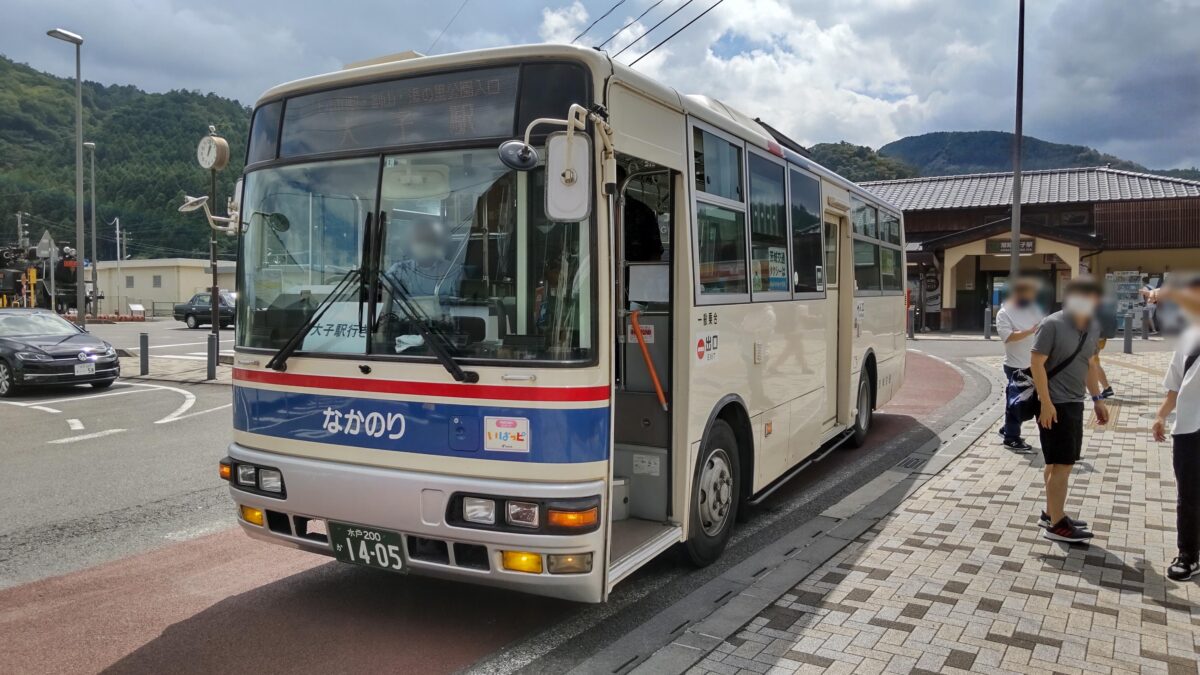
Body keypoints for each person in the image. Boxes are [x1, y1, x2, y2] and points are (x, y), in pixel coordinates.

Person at [1030, 278, 1110, 542]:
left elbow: (1087, 364)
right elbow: (1037, 364)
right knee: (1062, 465)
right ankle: (1058, 525)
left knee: (1055, 463)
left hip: (1074, 403)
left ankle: (1052, 513)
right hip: (1054, 404)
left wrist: (1097, 398)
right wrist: (1045, 402)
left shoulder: (1092, 327)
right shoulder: (1051, 324)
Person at [1149, 276, 1200, 581]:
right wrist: (1160, 416)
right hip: (1189, 429)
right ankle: (1189, 554)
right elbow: (1174, 385)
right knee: (1189, 495)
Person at [995, 277, 1043, 452]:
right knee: (1017, 402)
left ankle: (1008, 428)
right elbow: (1007, 337)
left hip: (1035, 362)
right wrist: (1029, 331)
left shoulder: (1033, 309)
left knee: (1028, 402)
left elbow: (1043, 327)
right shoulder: (1004, 313)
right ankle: (1011, 437)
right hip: (1016, 365)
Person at [384, 215, 462, 300]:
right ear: (410, 242)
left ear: (438, 242)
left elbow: (462, 304)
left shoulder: (454, 271)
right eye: (419, 239)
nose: (423, 243)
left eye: (428, 239)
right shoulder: (399, 270)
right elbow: (384, 295)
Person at [618, 166, 664, 262]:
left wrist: (648, 275)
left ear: (623, 183)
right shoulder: (597, 213)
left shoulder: (643, 212)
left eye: (617, 181)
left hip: (636, 272)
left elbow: (655, 253)